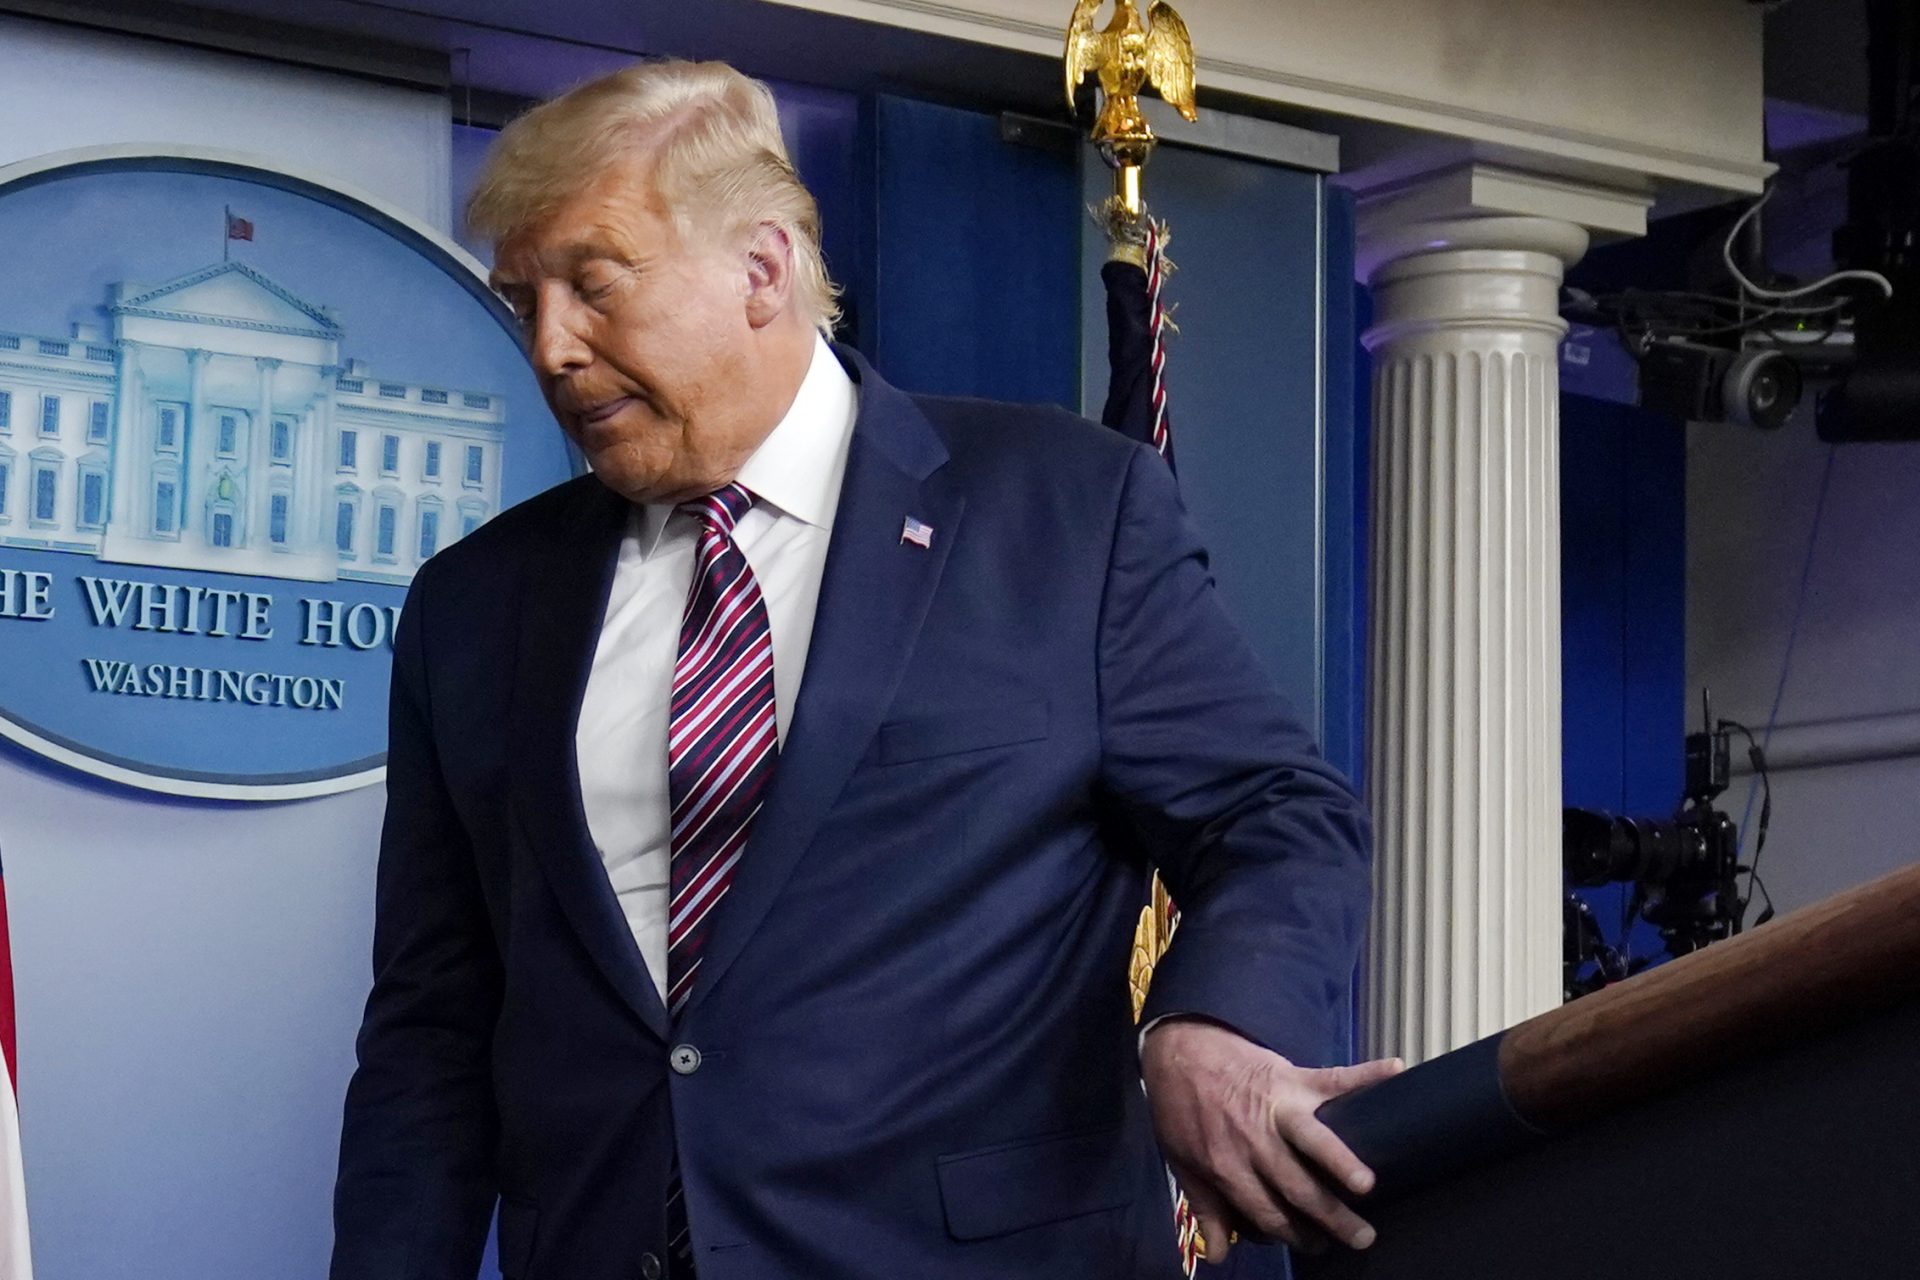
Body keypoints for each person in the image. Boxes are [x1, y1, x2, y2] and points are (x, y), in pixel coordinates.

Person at [330, 58, 1400, 1280]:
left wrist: (1213, 1023)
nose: (553, 347)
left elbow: (1279, 814)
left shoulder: (1062, 512)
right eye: (524, 300)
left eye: (594, 284)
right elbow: (431, 1025)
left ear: (764, 269)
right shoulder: (473, 605)